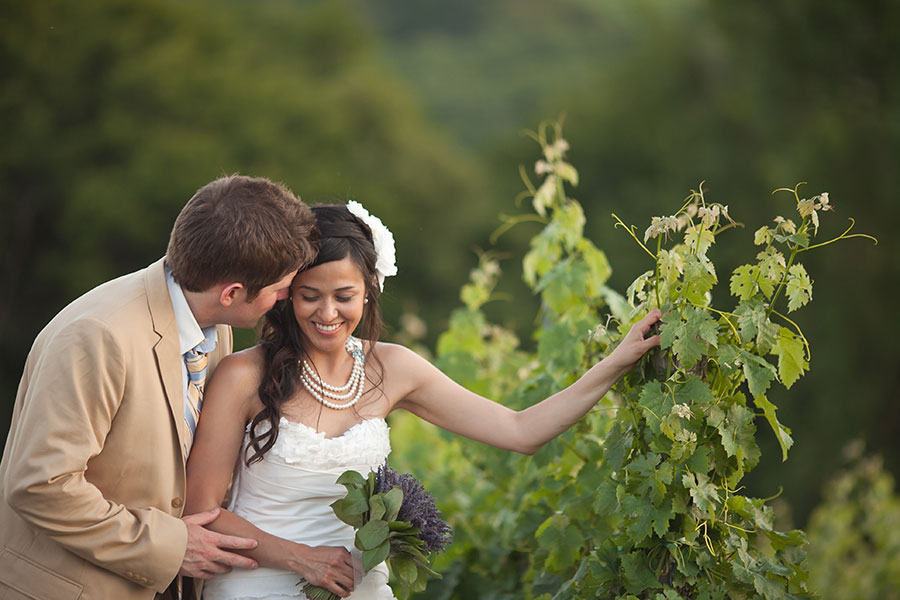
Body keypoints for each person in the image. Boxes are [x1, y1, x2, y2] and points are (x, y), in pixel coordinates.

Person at [184, 202, 662, 599]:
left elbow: (521, 431)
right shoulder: (244, 375)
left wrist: (617, 361)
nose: (327, 313)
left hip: (360, 589)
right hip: (258, 586)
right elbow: (200, 512)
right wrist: (299, 558)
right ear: (287, 295)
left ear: (369, 293)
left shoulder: (394, 369)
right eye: (310, 296)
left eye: (344, 296)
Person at [0, 175, 337, 600]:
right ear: (232, 292)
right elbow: (38, 484)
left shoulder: (215, 328)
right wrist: (170, 547)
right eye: (280, 290)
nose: (285, 300)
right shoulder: (100, 335)